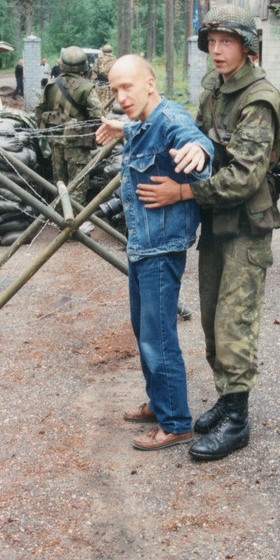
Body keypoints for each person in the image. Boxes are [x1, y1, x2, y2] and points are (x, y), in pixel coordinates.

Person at [136, 4, 280, 461]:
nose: (217, 50)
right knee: (211, 321)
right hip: (217, 224)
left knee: (233, 324)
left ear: (247, 47)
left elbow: (244, 178)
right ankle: (226, 403)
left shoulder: (258, 100)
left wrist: (182, 192)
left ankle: (238, 422)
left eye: (227, 42)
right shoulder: (216, 89)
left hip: (247, 226)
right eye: (212, 42)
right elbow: (195, 138)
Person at [95, 54, 214, 451]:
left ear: (149, 82)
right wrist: (121, 126)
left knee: (158, 337)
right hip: (142, 245)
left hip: (161, 249)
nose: (120, 96)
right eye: (114, 90)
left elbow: (194, 141)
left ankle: (176, 422)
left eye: (127, 87)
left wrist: (200, 152)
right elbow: (144, 132)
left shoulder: (171, 119)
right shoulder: (144, 123)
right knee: (144, 331)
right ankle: (160, 402)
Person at [34, 46, 102, 207]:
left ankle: (60, 218)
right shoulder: (87, 87)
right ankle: (75, 223)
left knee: (60, 182)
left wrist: (45, 132)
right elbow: (98, 116)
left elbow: (38, 110)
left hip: (55, 143)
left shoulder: (51, 85)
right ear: (84, 65)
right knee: (78, 184)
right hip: (77, 145)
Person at [92, 44, 117, 108]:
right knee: (112, 107)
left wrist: (93, 85)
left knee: (101, 107)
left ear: (103, 52)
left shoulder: (98, 61)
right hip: (112, 88)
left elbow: (94, 75)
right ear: (111, 51)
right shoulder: (116, 61)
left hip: (100, 88)